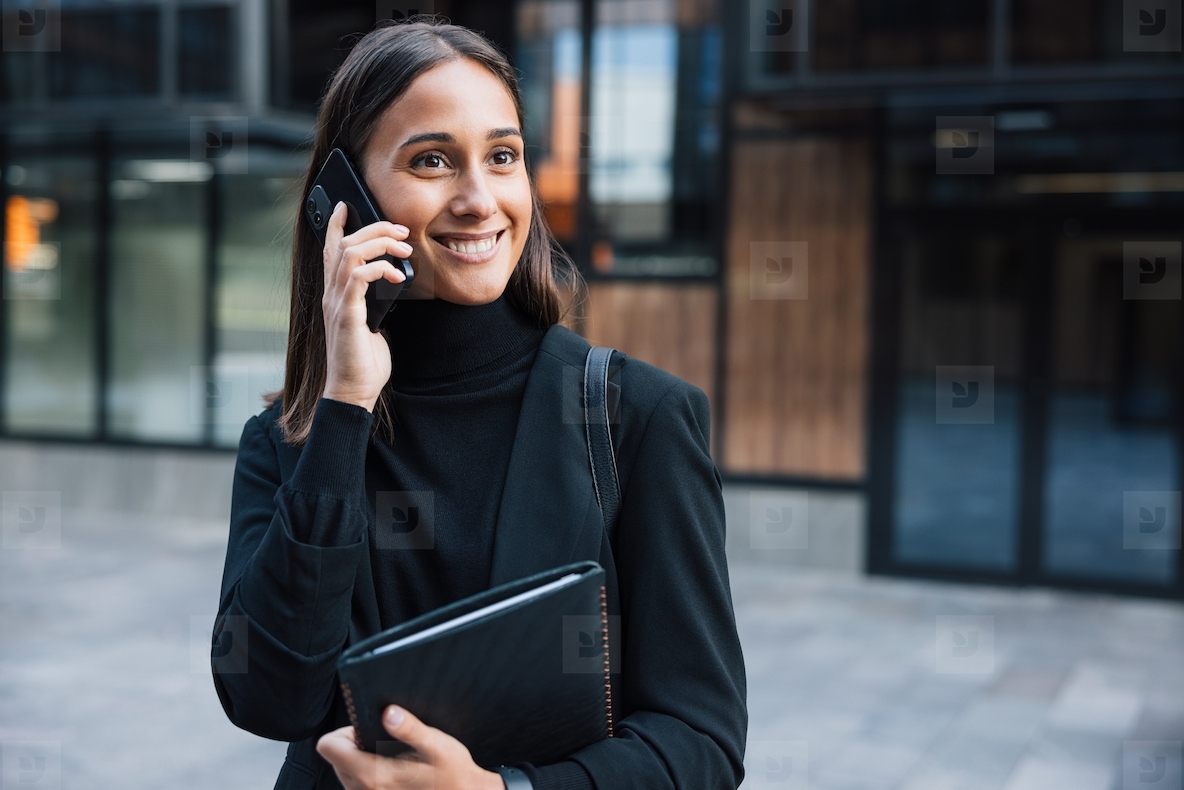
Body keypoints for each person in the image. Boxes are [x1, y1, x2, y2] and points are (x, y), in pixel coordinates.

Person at [213, 19, 746, 790]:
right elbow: (267, 695)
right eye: (432, 160)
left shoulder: (638, 419)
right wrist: (345, 406)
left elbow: (700, 744)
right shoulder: (291, 439)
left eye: (503, 157)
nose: (478, 199)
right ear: (346, 201)